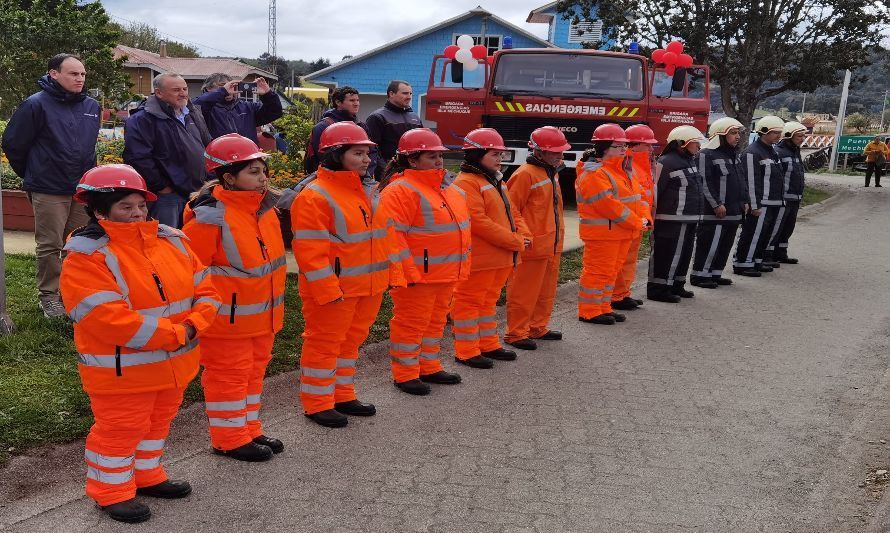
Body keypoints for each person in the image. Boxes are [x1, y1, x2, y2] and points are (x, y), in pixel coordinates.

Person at [59, 165, 220, 524]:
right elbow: (107, 319)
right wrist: (181, 334)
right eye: (125, 207)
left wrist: (194, 324)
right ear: (100, 211)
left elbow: (206, 289)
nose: (137, 214)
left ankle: (146, 476)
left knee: (157, 422)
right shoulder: (86, 257)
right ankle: (111, 492)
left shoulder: (172, 240)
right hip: (123, 371)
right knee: (121, 430)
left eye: (140, 205)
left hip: (174, 362)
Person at [288, 122, 405, 428]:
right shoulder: (315, 195)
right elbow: (310, 252)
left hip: (367, 286)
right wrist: (327, 290)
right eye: (358, 153)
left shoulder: (369, 191)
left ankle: (342, 394)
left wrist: (391, 274)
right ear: (336, 154)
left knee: (351, 343)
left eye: (368, 152)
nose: (367, 159)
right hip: (334, 290)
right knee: (325, 344)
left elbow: (384, 238)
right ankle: (318, 403)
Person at [181, 134, 287, 461]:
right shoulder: (209, 217)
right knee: (229, 377)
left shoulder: (262, 208)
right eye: (254, 172)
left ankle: (248, 428)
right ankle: (229, 438)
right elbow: (191, 273)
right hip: (227, 319)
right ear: (229, 177)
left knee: (253, 373)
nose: (263, 178)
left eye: (262, 170)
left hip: (261, 316)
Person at [1, 53, 100, 318]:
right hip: (48, 187)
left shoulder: (92, 106)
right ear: (54, 74)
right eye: (73, 74)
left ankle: (74, 291)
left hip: (81, 189)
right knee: (50, 244)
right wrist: (33, 173)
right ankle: (49, 296)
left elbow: (90, 148)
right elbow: (13, 143)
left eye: (82, 74)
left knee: (79, 243)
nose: (80, 78)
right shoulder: (35, 105)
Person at [379, 128, 469, 395]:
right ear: (412, 160)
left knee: (435, 321)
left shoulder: (448, 189)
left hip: (445, 272)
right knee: (411, 324)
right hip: (418, 275)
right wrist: (407, 274)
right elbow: (394, 237)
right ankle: (405, 374)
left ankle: (429, 366)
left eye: (440, 156)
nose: (439, 161)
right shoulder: (401, 190)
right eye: (431, 156)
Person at [451, 128, 532, 367]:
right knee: (468, 303)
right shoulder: (466, 183)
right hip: (480, 259)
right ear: (477, 154)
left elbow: (512, 212)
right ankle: (466, 351)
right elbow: (478, 222)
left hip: (499, 256)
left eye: (500, 154)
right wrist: (515, 240)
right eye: (494, 154)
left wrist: (523, 233)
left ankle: (488, 344)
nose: (500, 159)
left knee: (488, 303)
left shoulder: (495, 179)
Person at [504, 126, 568, 350]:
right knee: (523, 292)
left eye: (561, 151)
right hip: (533, 246)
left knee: (545, 291)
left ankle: (537, 327)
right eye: (555, 152)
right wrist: (523, 236)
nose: (560, 155)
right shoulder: (525, 174)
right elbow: (511, 210)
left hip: (550, 244)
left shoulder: (551, 173)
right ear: (539, 152)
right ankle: (516, 333)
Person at [576, 124, 647, 323]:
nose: (623, 149)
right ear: (604, 147)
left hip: (619, 233)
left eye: (624, 145)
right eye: (617, 146)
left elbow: (636, 197)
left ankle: (603, 307)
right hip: (603, 234)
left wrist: (642, 217)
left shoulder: (622, 170)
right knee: (598, 272)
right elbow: (608, 206)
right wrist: (636, 222)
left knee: (610, 273)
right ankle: (589, 311)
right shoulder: (595, 173)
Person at [123, 73, 212, 228]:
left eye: (185, 88)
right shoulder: (143, 119)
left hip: (197, 192)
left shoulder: (193, 114)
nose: (183, 93)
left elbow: (207, 147)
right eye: (176, 90)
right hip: (168, 197)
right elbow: (138, 158)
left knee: (193, 240)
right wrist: (162, 187)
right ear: (159, 93)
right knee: (167, 240)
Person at [647, 125, 706, 303]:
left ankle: (676, 284)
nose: (698, 146)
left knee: (684, 253)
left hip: (688, 217)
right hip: (671, 219)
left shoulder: (690, 160)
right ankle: (659, 288)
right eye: (695, 142)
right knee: (668, 254)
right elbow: (656, 191)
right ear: (682, 143)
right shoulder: (665, 162)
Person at [690, 117, 747, 287]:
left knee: (724, 244)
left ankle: (715, 273)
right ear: (719, 135)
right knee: (709, 243)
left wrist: (745, 200)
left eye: (738, 133)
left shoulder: (734, 155)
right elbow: (704, 182)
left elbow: (741, 180)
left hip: (733, 210)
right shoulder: (706, 155)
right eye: (733, 133)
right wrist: (715, 203)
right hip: (714, 211)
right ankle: (700, 275)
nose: (737, 137)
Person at [612, 124, 657, 311]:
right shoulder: (629, 164)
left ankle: (623, 293)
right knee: (621, 261)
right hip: (630, 221)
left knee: (629, 260)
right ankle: (617, 295)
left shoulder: (640, 163)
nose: (651, 148)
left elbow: (644, 196)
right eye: (648, 145)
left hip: (638, 221)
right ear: (636, 145)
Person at [733, 115, 785, 276]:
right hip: (761, 202)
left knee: (764, 235)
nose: (778, 136)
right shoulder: (752, 153)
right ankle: (743, 263)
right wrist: (754, 205)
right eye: (775, 132)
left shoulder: (772, 152)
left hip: (773, 202)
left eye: (779, 132)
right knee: (753, 233)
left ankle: (756, 260)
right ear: (764, 132)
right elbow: (751, 181)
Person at [192, 73, 283, 143]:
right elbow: (195, 106)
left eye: (232, 86)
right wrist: (222, 92)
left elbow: (275, 111)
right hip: (219, 161)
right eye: (222, 86)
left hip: (247, 159)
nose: (229, 89)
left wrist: (268, 94)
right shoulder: (204, 108)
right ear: (208, 88)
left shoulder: (247, 107)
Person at [365, 80, 423, 180]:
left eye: (410, 93)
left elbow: (422, 146)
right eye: (405, 93)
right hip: (388, 175)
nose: (409, 96)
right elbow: (372, 150)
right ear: (391, 94)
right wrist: (387, 171)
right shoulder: (377, 117)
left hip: (413, 173)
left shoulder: (415, 118)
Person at [769, 122, 808, 264]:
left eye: (803, 136)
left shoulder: (795, 151)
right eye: (799, 136)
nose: (802, 138)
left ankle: (781, 253)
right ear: (788, 136)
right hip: (783, 198)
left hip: (795, 197)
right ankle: (769, 254)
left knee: (788, 228)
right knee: (776, 227)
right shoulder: (779, 152)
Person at [305, 86, 363, 174]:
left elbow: (371, 153)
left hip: (356, 178)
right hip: (328, 178)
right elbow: (324, 158)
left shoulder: (360, 125)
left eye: (357, 100)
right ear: (338, 102)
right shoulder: (323, 126)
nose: (356, 104)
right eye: (352, 100)